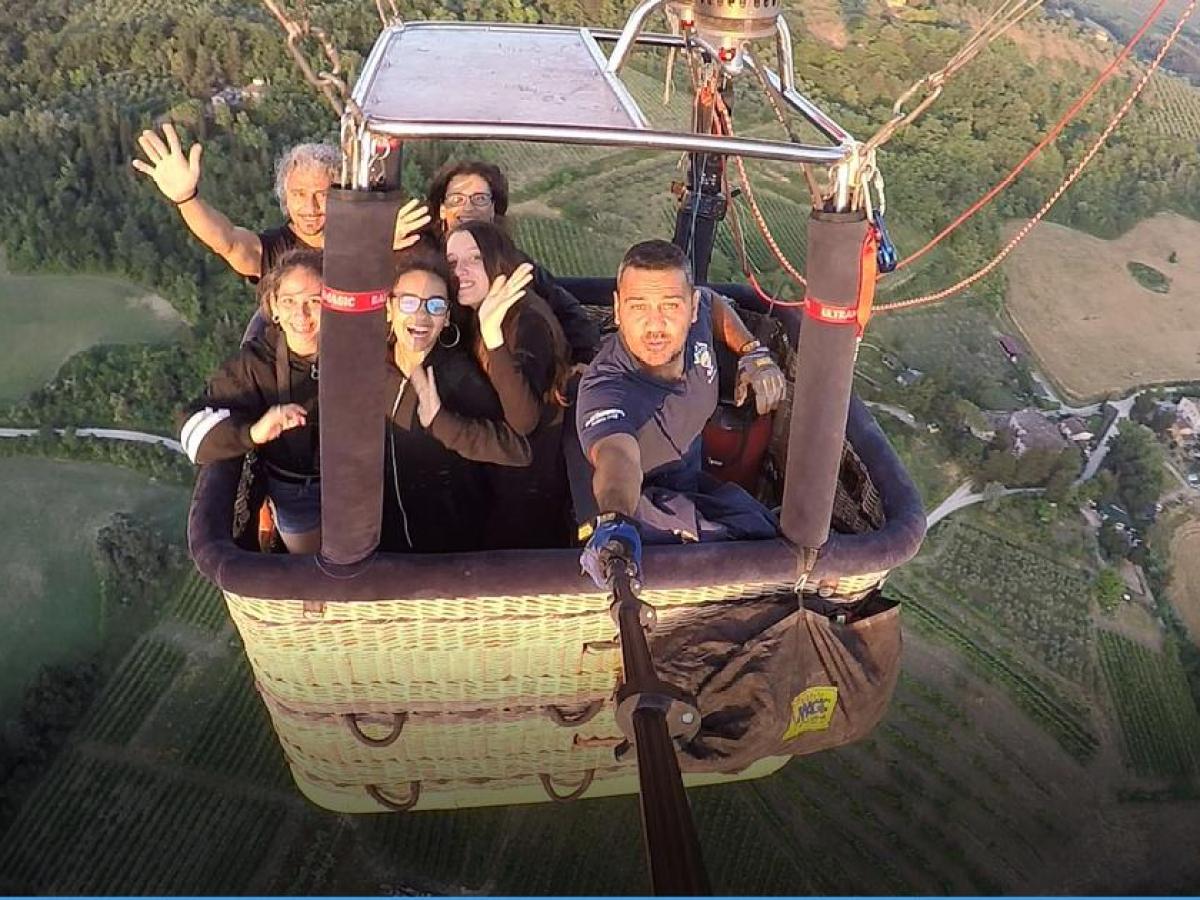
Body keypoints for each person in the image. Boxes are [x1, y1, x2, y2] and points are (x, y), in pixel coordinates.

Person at [574, 239, 788, 589]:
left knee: (760, 525)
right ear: (617, 310)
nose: (654, 325)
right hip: (644, 499)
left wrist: (753, 353)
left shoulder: (699, 318)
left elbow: (715, 304)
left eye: (669, 306)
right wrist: (616, 522)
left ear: (691, 308)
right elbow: (617, 461)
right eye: (638, 306)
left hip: (690, 478)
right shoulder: (606, 387)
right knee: (749, 549)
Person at [382, 246, 533, 553]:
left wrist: (442, 423)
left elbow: (517, 450)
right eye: (409, 302)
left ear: (447, 316)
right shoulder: (370, 368)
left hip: (447, 552)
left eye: (435, 306)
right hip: (382, 544)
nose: (421, 316)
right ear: (389, 309)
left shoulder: (458, 377)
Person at [132, 125, 429, 280]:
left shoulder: (371, 238)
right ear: (284, 196)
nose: (310, 207)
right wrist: (187, 199)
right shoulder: (275, 251)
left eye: (322, 195)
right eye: (299, 194)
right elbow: (226, 241)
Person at [179, 248, 324, 554]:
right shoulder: (255, 364)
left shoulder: (362, 348)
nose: (302, 314)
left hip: (362, 481)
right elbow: (192, 431)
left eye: (315, 301)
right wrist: (254, 432)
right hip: (298, 490)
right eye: (290, 301)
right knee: (317, 571)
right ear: (274, 306)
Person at [446, 221, 573, 548]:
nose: (462, 271)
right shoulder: (477, 314)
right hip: (501, 477)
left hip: (526, 492)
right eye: (452, 262)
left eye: (474, 258)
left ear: (497, 260)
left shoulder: (525, 321)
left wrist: (493, 337)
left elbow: (524, 419)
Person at [427, 159, 599, 363]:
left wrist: (584, 360)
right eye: (456, 199)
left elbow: (569, 313)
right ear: (441, 210)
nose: (468, 208)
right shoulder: (426, 260)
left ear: (494, 209)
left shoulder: (515, 262)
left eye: (480, 199)